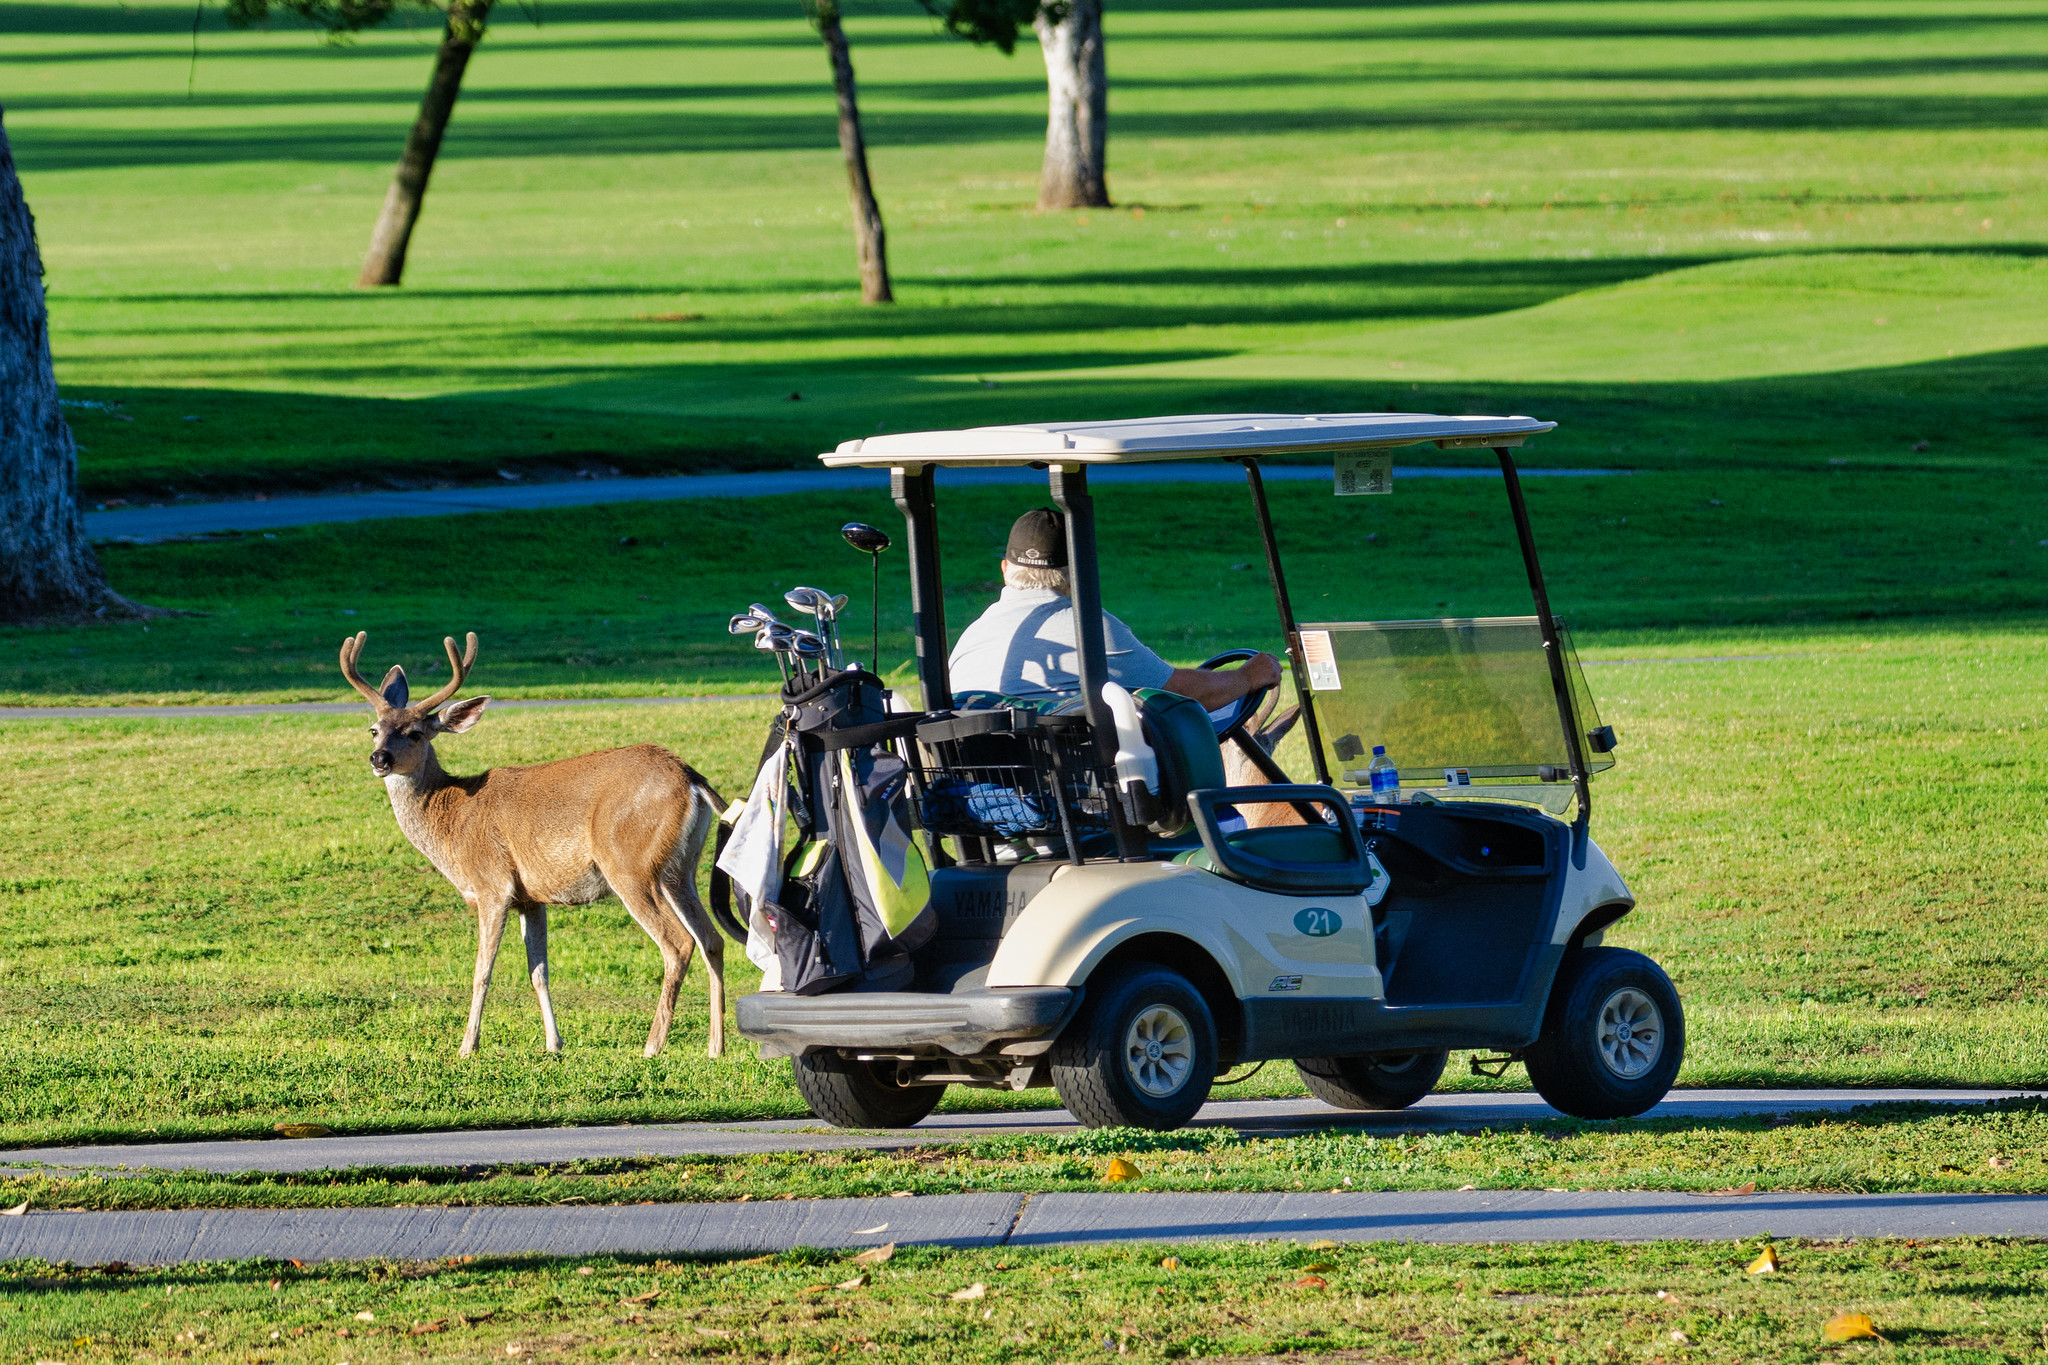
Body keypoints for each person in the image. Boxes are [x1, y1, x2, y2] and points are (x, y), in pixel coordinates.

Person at [947, 508, 1283, 711]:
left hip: (984, 793)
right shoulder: (1088, 628)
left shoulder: (972, 637)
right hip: (1079, 796)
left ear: (1005, 569)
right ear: (1075, 574)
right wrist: (1247, 676)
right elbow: (1180, 693)